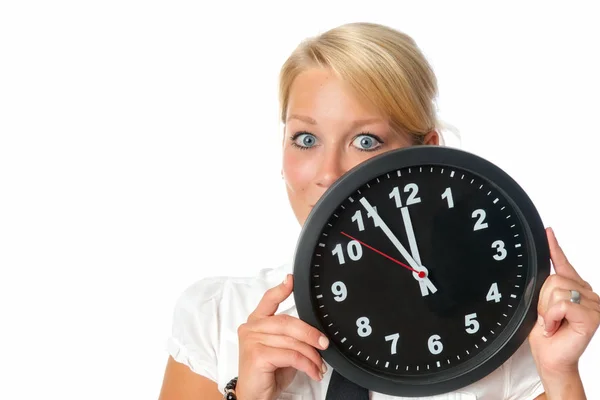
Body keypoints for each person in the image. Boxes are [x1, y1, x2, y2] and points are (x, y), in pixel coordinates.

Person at [158, 22, 600, 400]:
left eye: (365, 141)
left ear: (426, 159)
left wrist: (560, 375)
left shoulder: (501, 335)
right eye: (306, 139)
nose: (329, 175)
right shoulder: (217, 316)